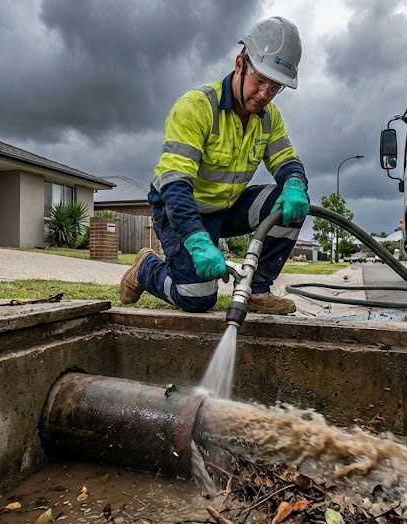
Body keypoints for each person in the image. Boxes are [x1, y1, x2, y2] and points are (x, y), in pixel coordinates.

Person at [120, 16, 310, 315]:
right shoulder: (196, 107)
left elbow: (286, 160)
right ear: (239, 64)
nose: (264, 95)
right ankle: (146, 268)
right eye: (259, 81)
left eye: (274, 88)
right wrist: (197, 240)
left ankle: (256, 290)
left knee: (287, 202)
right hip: (179, 208)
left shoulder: (269, 117)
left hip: (226, 207)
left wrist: (296, 184)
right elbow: (175, 185)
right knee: (197, 299)